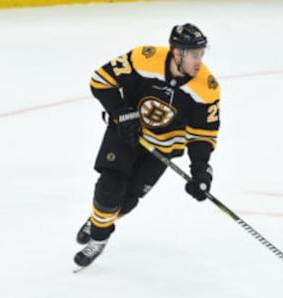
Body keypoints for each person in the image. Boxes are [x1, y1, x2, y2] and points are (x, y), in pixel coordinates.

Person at [74, 23, 221, 267]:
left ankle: (98, 220)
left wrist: (201, 170)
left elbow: (203, 134)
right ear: (177, 53)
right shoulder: (143, 59)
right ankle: (99, 237)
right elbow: (100, 80)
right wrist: (122, 113)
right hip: (127, 132)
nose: (200, 61)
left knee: (126, 202)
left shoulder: (207, 88)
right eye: (194, 55)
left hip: (162, 148)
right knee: (109, 189)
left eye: (202, 54)